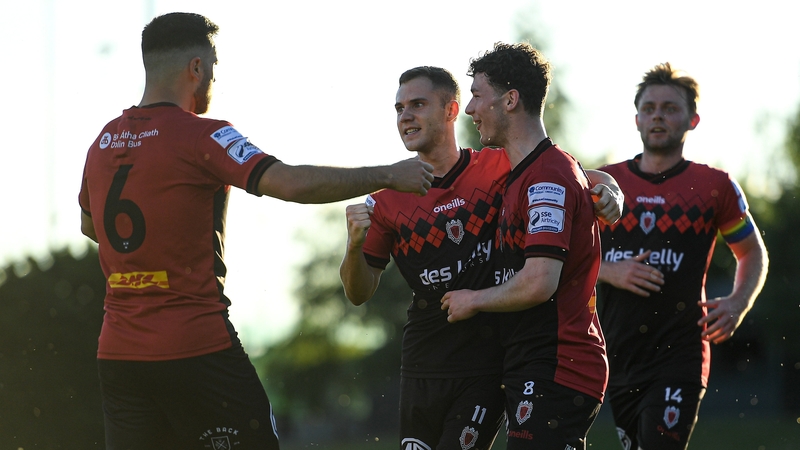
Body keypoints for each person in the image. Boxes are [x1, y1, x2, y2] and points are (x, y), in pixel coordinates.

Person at [77, 12, 434, 450]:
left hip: (118, 356)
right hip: (195, 346)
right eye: (213, 68)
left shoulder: (103, 141)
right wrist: (388, 173)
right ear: (196, 68)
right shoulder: (204, 136)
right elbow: (289, 183)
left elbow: (91, 225)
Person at [440, 43, 608, 450]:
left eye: (478, 95)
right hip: (536, 362)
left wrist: (473, 300)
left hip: (558, 363)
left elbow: (539, 282)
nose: (469, 109)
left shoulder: (548, 175)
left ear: (510, 100)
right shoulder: (524, 173)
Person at [595, 63, 769, 450]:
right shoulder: (603, 183)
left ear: (693, 119)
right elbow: (564, 255)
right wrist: (608, 270)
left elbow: (752, 252)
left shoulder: (714, 186)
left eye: (670, 108)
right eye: (650, 107)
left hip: (681, 352)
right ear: (636, 118)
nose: (658, 115)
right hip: (618, 352)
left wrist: (739, 302)